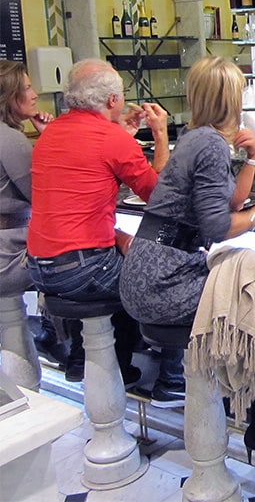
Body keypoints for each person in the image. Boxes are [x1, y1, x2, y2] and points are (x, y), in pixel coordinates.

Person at [120, 56, 255, 469]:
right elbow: (218, 226)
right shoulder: (211, 145)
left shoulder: (197, 138)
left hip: (150, 270)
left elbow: (222, 204)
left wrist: (251, 161)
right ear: (231, 97)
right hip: (163, 281)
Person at [26, 58, 170, 386]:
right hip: (81, 269)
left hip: (38, 268)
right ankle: (154, 375)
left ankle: (82, 358)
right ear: (112, 101)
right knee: (148, 278)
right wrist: (160, 135)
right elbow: (161, 197)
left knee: (112, 264)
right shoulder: (111, 138)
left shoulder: (50, 134)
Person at [0, 60, 54, 389]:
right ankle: (69, 345)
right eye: (28, 89)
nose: (35, 95)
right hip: (8, 255)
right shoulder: (11, 140)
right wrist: (49, 139)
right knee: (81, 264)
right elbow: (43, 195)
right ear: (10, 96)